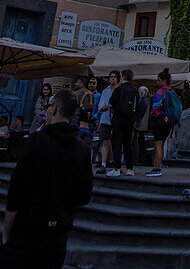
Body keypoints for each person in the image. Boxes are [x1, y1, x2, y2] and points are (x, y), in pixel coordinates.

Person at [0, 88, 93, 269]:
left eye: (49, 105)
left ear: (55, 109)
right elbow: (84, 195)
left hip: (27, 230)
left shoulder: (35, 142)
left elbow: (16, 190)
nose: (47, 109)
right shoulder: (82, 150)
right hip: (58, 232)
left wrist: (7, 228)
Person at [109, 68, 138, 177]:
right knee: (127, 144)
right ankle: (129, 168)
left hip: (118, 120)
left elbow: (111, 102)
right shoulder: (134, 90)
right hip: (129, 120)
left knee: (116, 144)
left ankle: (117, 168)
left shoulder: (118, 89)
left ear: (123, 77)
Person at [147, 68, 176, 177]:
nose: (157, 82)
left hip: (159, 120)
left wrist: (153, 117)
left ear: (164, 81)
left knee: (158, 144)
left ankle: (156, 168)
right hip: (168, 122)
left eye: (159, 80)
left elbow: (156, 108)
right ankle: (158, 165)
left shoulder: (161, 92)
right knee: (162, 144)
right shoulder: (171, 92)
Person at [96, 71, 119, 175]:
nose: (112, 79)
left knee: (115, 142)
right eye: (111, 77)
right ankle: (103, 164)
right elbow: (101, 107)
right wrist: (107, 107)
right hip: (106, 119)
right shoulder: (105, 91)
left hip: (117, 120)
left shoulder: (120, 90)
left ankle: (114, 162)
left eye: (114, 77)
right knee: (105, 141)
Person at [133, 86, 150, 169]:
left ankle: (134, 159)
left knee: (134, 141)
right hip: (138, 124)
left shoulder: (142, 102)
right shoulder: (144, 102)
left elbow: (138, 113)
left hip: (136, 124)